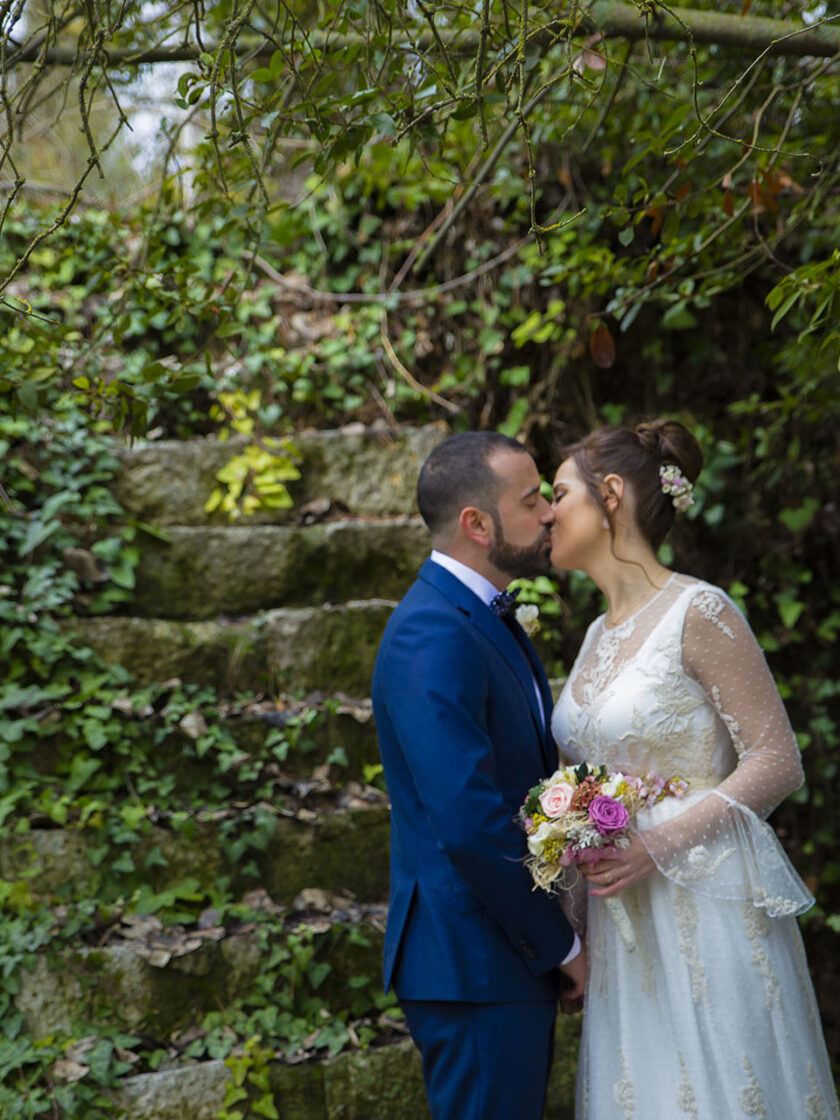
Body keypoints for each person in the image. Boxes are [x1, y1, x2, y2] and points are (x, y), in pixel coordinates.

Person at [548, 417, 839, 1119]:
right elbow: (579, 786)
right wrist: (573, 927)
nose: (547, 513)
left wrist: (654, 844)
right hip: (623, 929)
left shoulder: (699, 610)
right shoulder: (593, 635)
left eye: (559, 493)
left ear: (610, 494)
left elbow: (777, 762)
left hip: (704, 904)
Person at [372, 431, 586, 1120]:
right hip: (474, 960)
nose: (550, 513)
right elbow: (467, 822)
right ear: (477, 525)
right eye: (531, 502)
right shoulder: (430, 631)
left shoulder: (480, 615)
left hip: (493, 956)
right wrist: (560, 942)